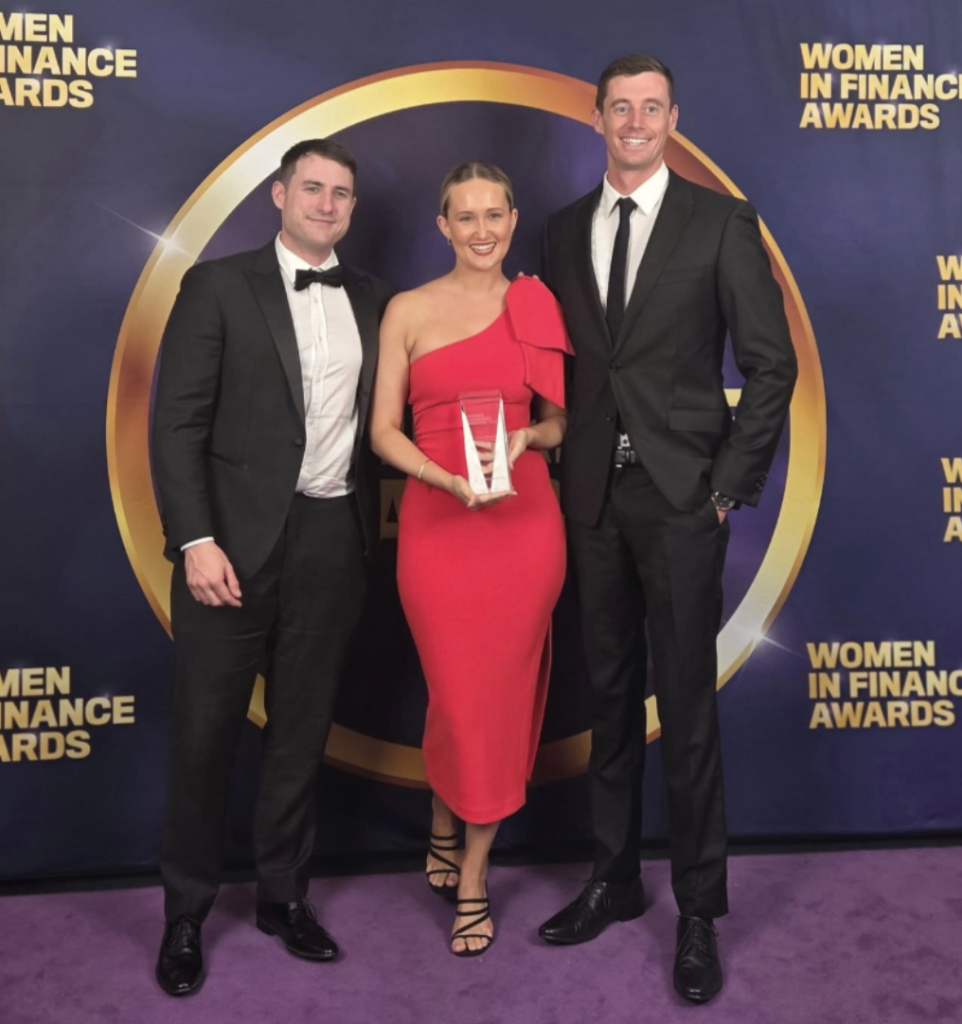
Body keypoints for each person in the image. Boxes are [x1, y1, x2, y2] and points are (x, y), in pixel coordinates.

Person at [537, 55, 797, 1003]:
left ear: (673, 119)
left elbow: (771, 366)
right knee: (608, 699)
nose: (636, 122)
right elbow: (561, 368)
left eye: (651, 108)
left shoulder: (722, 222)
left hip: (682, 499)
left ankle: (697, 912)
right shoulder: (561, 231)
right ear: (597, 118)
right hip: (590, 502)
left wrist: (725, 487)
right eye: (621, 108)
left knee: (684, 708)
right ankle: (613, 878)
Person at [151, 138, 393, 996]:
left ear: (353, 208)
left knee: (300, 732)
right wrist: (195, 540)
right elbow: (177, 423)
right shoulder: (217, 286)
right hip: (228, 546)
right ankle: (185, 914)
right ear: (279, 195)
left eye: (342, 193)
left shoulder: (375, 299)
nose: (327, 204)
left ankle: (283, 897)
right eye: (312, 188)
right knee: (204, 736)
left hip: (333, 538)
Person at [370, 162, 572, 956]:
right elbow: (382, 431)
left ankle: (476, 874)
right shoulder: (408, 309)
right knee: (456, 692)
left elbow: (558, 423)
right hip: (437, 520)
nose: (482, 230)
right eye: (466, 216)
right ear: (443, 226)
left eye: (495, 215)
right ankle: (441, 810)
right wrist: (441, 478)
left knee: (498, 697)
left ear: (513, 220)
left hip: (523, 526)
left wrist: (526, 437)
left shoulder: (536, 304)